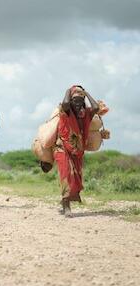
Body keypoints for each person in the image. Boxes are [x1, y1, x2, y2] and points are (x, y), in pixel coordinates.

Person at [55, 85, 99, 217]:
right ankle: (67, 207)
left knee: (76, 179)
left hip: (77, 152)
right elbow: (66, 103)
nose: (77, 103)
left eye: (80, 100)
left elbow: (96, 107)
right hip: (62, 148)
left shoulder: (85, 114)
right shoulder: (66, 111)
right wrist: (69, 90)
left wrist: (86, 93)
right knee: (66, 176)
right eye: (75, 100)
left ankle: (64, 204)